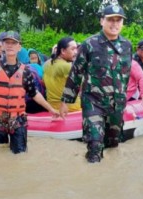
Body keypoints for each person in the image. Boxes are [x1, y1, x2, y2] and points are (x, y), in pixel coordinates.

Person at [59, 4, 132, 163]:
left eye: (118, 20)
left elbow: (126, 77)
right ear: (101, 21)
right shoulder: (89, 44)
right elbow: (76, 72)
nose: (114, 24)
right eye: (110, 19)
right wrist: (66, 101)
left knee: (113, 146)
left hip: (117, 105)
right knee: (94, 146)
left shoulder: (127, 46)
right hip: (93, 103)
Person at [43, 37, 80, 112]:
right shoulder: (67, 66)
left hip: (52, 106)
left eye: (76, 49)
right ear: (63, 51)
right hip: (71, 108)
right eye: (72, 49)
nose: (76, 52)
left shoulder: (46, 63)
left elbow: (43, 83)